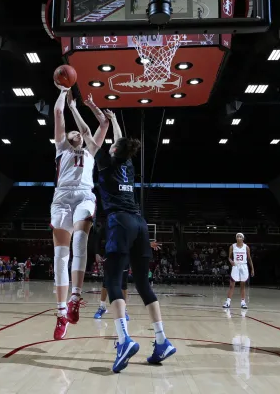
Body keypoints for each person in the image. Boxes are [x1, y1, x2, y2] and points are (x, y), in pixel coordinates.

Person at [68, 97, 176, 373]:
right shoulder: (127, 164)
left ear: (113, 149)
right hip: (140, 223)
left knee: (112, 281)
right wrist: (114, 120)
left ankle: (124, 339)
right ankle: (162, 340)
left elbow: (88, 135)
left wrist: (83, 108)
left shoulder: (104, 161)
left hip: (120, 221)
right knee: (143, 284)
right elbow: (118, 140)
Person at [51, 85, 110, 340]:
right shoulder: (62, 147)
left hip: (84, 196)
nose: (75, 132)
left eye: (78, 132)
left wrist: (80, 107)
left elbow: (102, 124)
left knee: (80, 240)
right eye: (72, 131)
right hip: (62, 198)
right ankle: (61, 313)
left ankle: (76, 295)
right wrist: (64, 92)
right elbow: (57, 112)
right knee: (60, 257)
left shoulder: (91, 149)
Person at [94, 240, 161, 320]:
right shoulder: (109, 228)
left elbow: (135, 242)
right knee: (106, 283)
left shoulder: (129, 229)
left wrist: (148, 244)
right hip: (111, 255)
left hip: (124, 256)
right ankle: (102, 307)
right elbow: (99, 237)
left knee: (123, 285)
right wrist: (97, 253)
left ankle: (123, 309)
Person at [223, 233, 254, 309]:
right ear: (236, 238)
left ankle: (243, 303)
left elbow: (249, 259)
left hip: (243, 266)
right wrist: (231, 261)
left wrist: (252, 269)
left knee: (242, 285)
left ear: (243, 239)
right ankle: (228, 302)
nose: (239, 238)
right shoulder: (232, 246)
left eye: (240, 237)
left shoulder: (246, 247)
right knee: (231, 285)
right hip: (235, 266)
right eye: (237, 236)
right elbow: (229, 257)